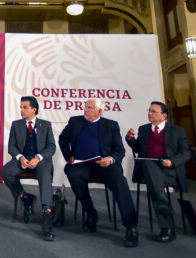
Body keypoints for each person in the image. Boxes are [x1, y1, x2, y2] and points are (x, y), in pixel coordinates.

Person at [59, 98, 139, 248]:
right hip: (81, 164)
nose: (86, 110)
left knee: (119, 181)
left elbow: (119, 150)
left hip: (104, 164)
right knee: (73, 175)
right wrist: (69, 155)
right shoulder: (75, 122)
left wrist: (110, 159)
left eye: (90, 108)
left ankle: (131, 226)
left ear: (100, 111)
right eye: (85, 107)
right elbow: (63, 139)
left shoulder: (111, 125)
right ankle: (90, 212)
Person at [125, 101, 191, 243]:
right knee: (148, 162)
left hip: (168, 170)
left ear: (164, 115)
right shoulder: (143, 129)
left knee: (155, 186)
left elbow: (186, 153)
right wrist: (130, 140)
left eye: (154, 111)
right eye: (149, 110)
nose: (150, 113)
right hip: (148, 170)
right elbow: (139, 149)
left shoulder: (177, 131)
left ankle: (164, 213)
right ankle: (167, 225)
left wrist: (172, 161)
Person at [0, 95, 56, 241]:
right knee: (6, 172)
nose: (22, 110)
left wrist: (38, 158)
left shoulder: (46, 125)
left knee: (45, 175)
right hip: (22, 159)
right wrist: (21, 157)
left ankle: (47, 216)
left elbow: (51, 147)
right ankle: (25, 198)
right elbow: (12, 146)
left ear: (34, 109)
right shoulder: (16, 124)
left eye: (25, 107)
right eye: (21, 107)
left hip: (41, 161)